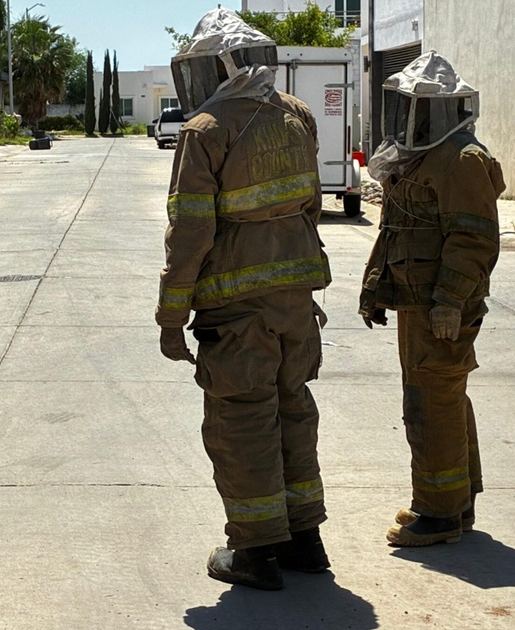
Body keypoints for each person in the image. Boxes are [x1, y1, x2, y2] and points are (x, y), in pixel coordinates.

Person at [157, 8, 332, 591]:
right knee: (293, 410)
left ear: (219, 67)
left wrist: (171, 316)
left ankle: (256, 552)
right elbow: (310, 204)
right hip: (296, 302)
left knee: (242, 422)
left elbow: (190, 232)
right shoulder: (298, 116)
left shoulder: (206, 129)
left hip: (237, 310)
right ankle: (306, 540)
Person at [359, 52, 507, 547]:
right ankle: (455, 501)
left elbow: (474, 240)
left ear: (440, 112)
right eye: (403, 108)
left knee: (432, 403)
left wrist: (448, 301)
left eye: (415, 110)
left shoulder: (461, 160)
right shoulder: (424, 158)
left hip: (440, 308)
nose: (405, 119)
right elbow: (399, 231)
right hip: (419, 303)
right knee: (443, 397)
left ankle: (439, 513)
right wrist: (376, 290)